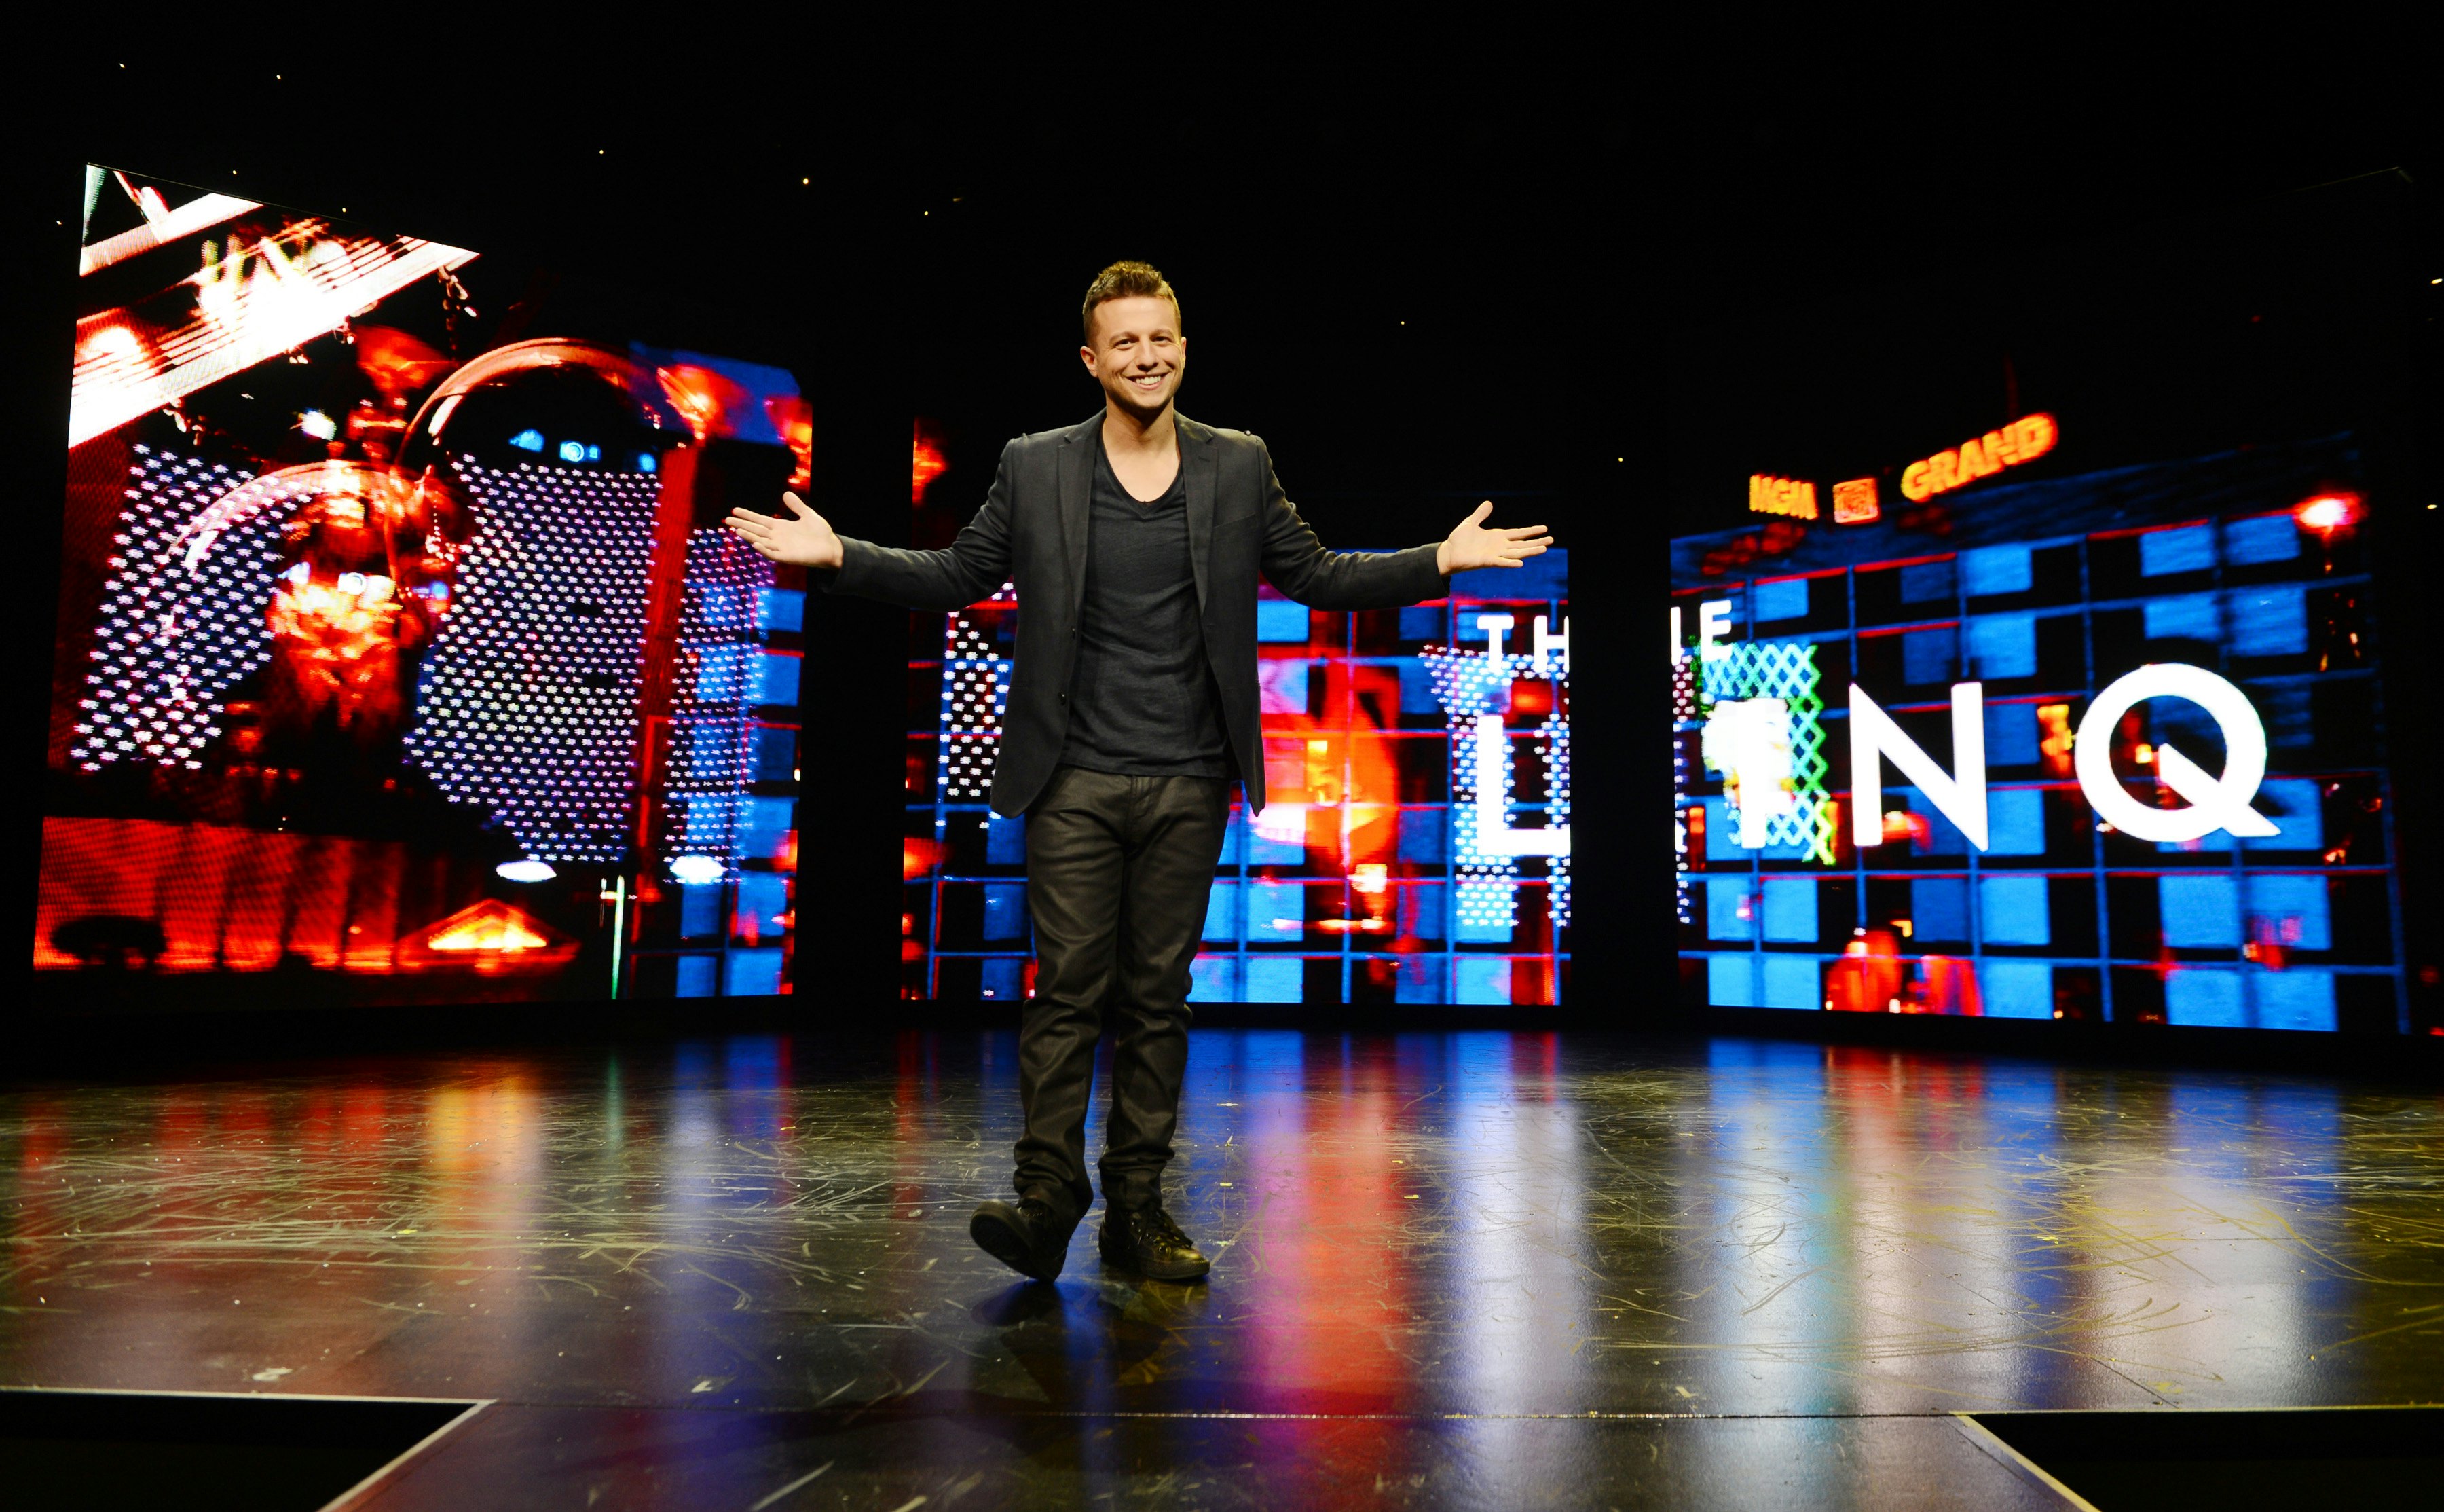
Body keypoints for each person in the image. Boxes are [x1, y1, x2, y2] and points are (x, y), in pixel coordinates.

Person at [726, 261, 1550, 1283]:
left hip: (1193, 776)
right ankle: (1044, 1199)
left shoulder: (1237, 464)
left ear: (1184, 347)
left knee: (1157, 999)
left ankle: (1137, 1213)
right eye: (1124, 343)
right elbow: (960, 574)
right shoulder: (1036, 465)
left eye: (1160, 339)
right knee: (1067, 992)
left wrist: (1439, 559)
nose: (1146, 357)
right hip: (1071, 775)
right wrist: (841, 553)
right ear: (1091, 359)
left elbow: (1317, 574)